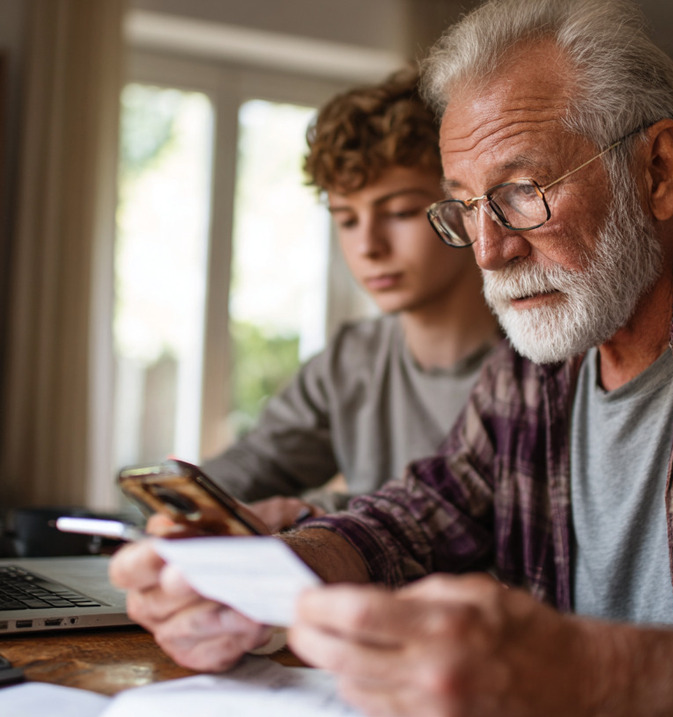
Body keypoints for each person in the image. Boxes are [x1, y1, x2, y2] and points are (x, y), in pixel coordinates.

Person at [111, 1, 673, 715]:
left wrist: (598, 674)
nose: (491, 250)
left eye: (522, 193)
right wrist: (262, 575)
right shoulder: (536, 362)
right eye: (465, 207)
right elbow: (415, 518)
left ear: (657, 171)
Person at [200, 68, 501, 531]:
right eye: (346, 219)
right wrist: (183, 507)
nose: (368, 247)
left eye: (399, 212)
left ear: (465, 204)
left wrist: (321, 510)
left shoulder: (536, 366)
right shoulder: (351, 360)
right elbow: (252, 465)